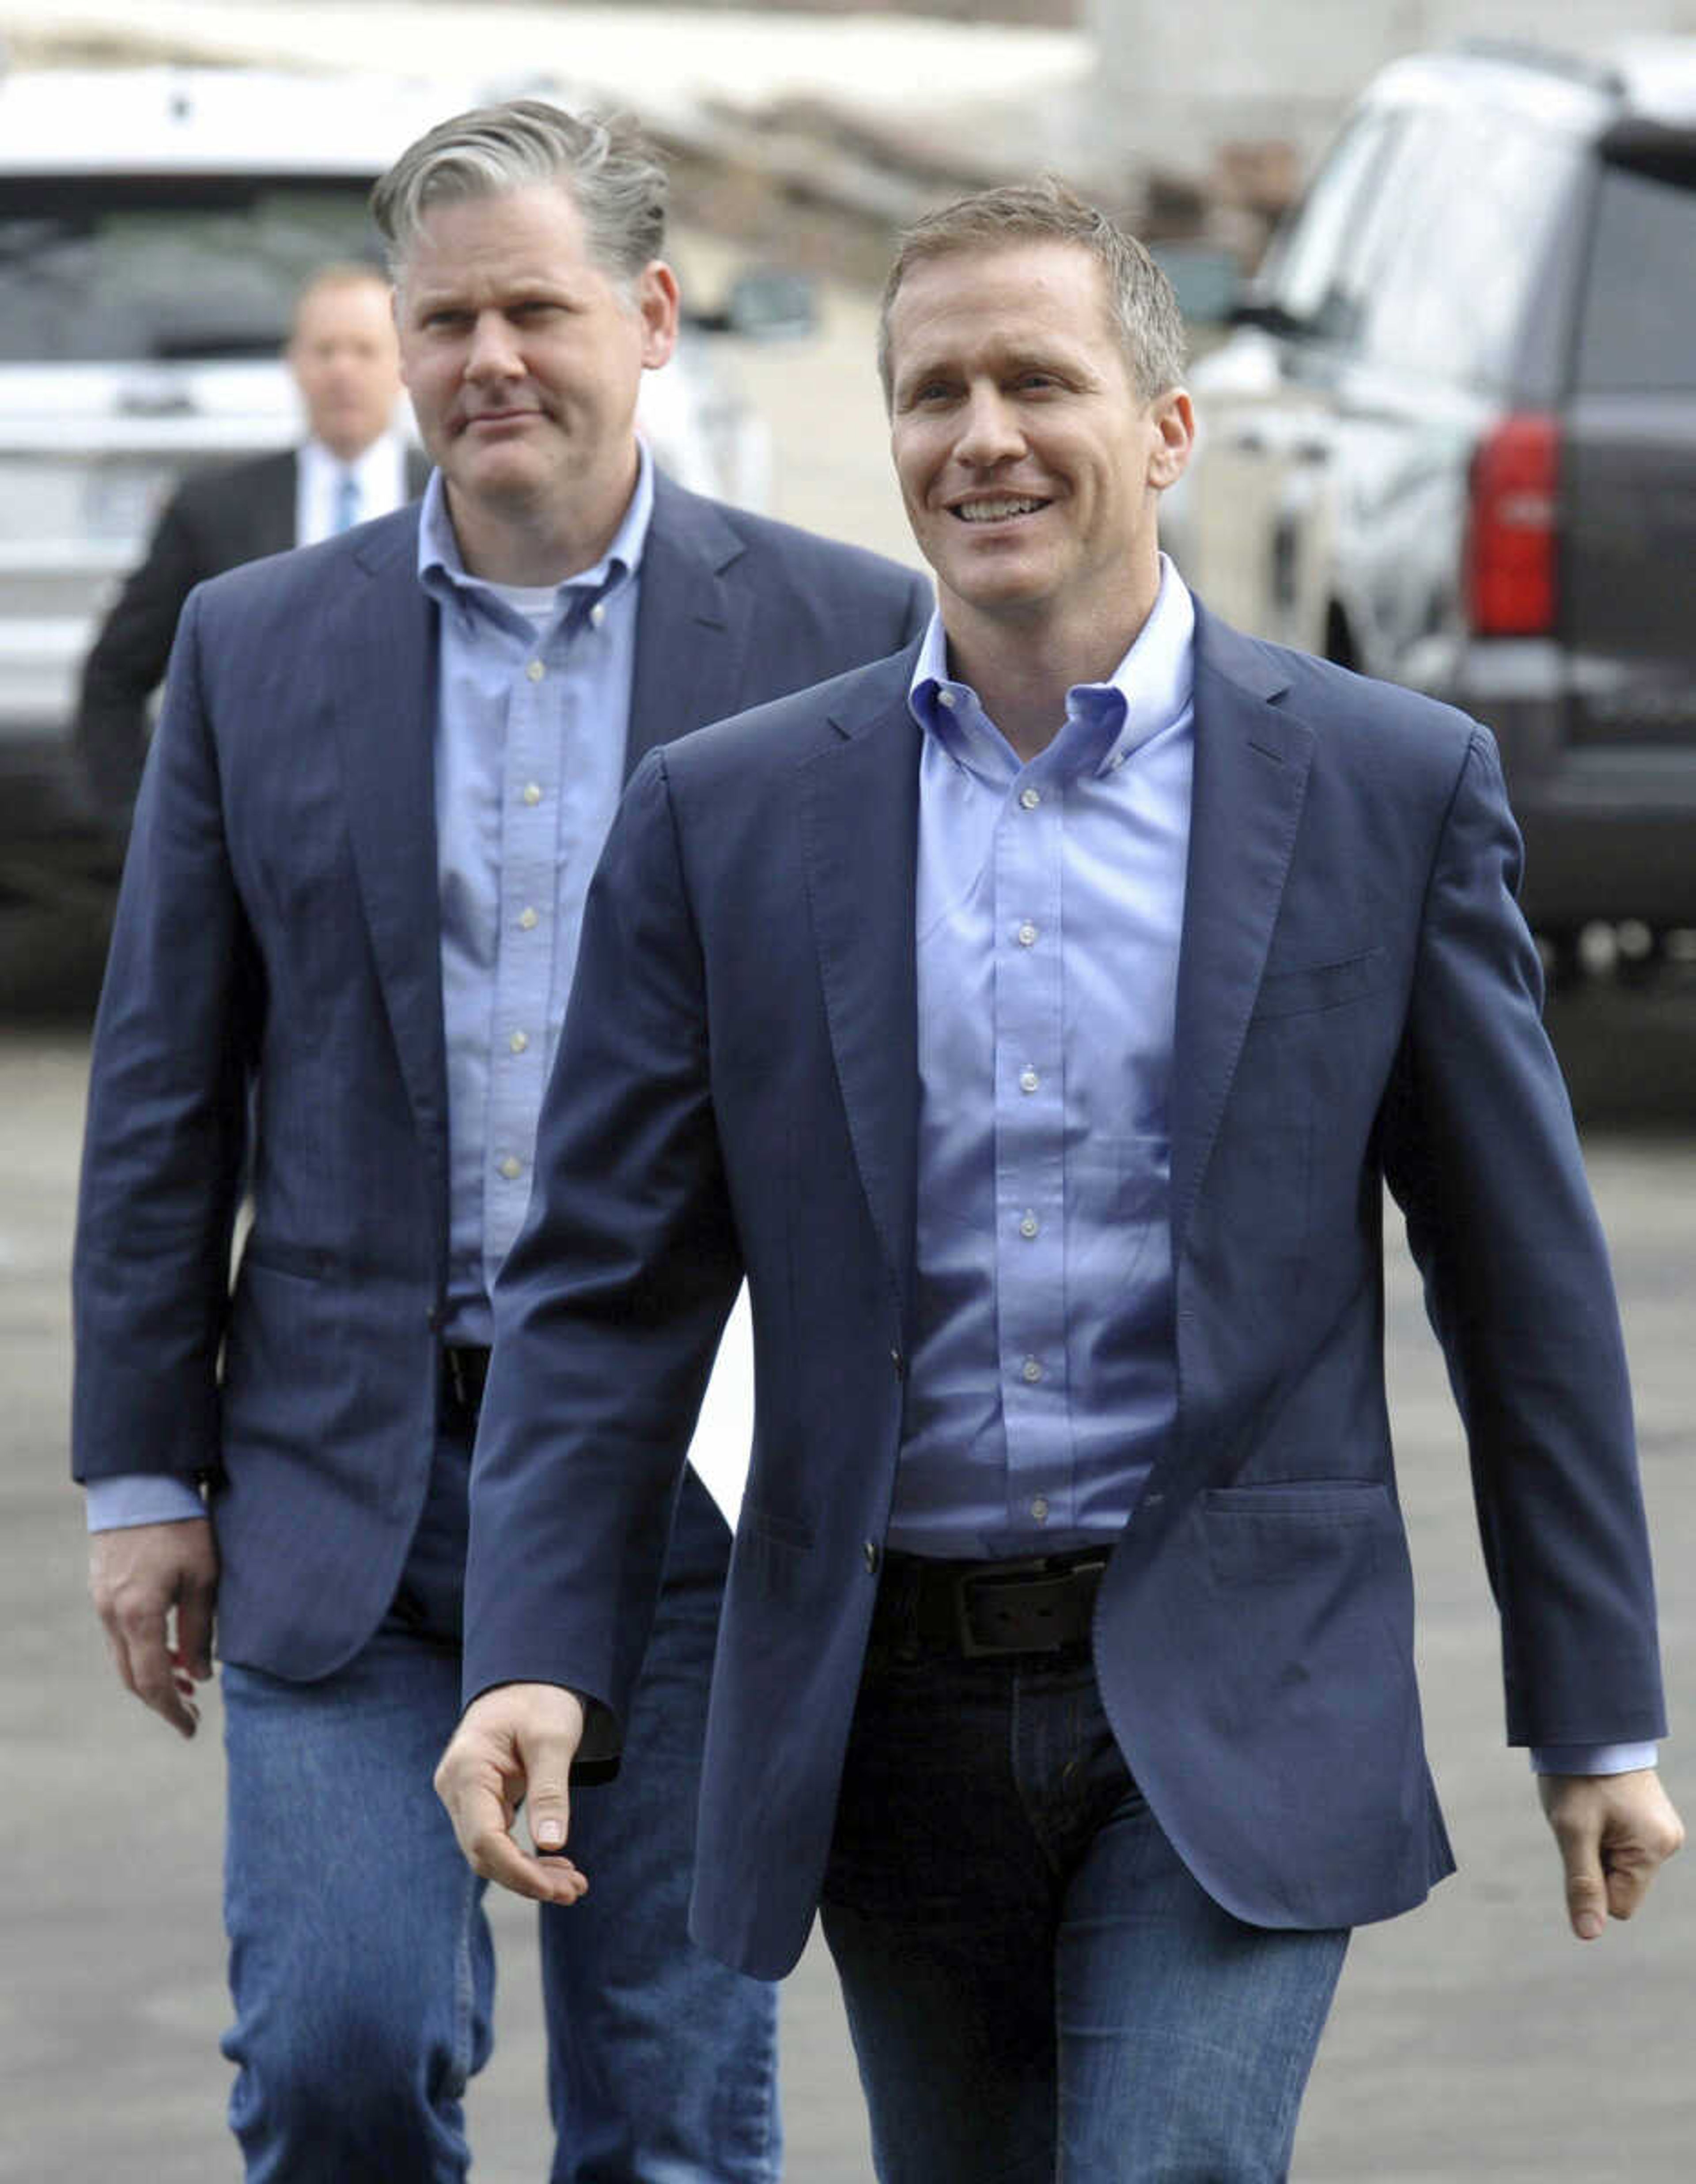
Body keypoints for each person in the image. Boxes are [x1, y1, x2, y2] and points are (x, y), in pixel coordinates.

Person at [436, 180, 1683, 2182]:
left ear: (1167, 429)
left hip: (1235, 1683)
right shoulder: (729, 820)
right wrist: (532, 1656)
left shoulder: (1383, 788)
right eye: (933, 391)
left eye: (1038, 378)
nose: (980, 435)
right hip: (884, 1703)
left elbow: (1518, 1284)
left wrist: (1594, 1710)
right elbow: (608, 1286)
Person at [72, 100, 929, 2184]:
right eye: (441, 317)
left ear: (647, 316)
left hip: (691, 1498)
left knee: (669, 2111)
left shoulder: (840, 637)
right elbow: (164, 1089)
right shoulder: (257, 645)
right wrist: (140, 1473)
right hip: (353, 1487)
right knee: (340, 2058)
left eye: (535, 309)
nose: (487, 362)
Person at [74, 262, 428, 829]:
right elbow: (114, 677)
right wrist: (146, 832)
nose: (342, 371)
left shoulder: (459, 500)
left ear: (404, 364)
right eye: (324, 350)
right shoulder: (213, 510)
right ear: (294, 364)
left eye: (364, 350)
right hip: (261, 837)